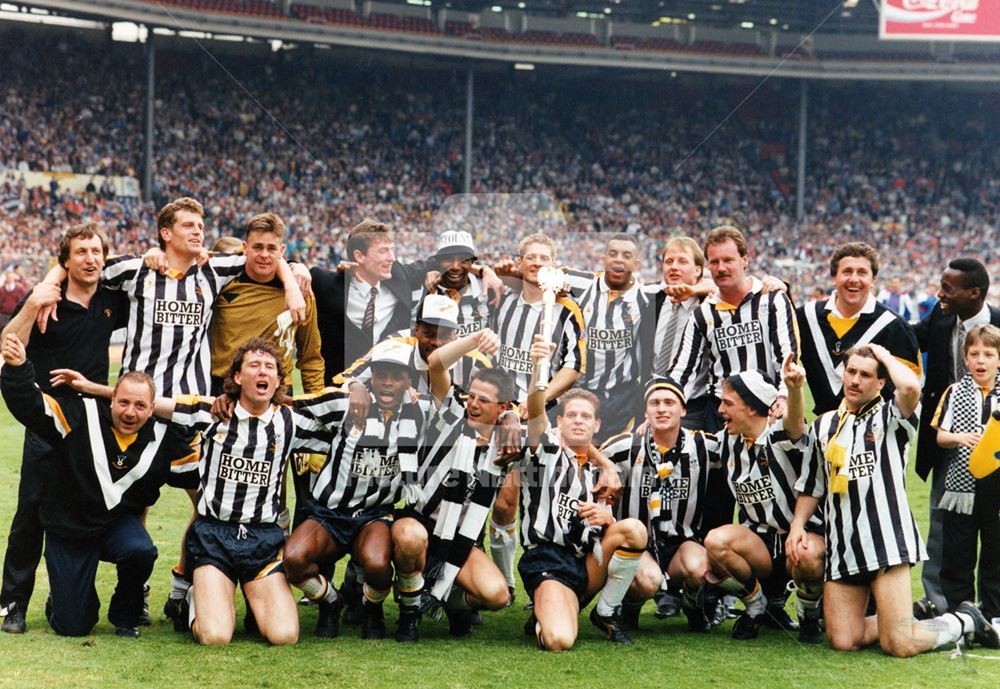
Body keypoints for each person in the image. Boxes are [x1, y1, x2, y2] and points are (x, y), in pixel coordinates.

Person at [56, 339, 336, 646]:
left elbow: (338, 434)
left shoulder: (289, 422)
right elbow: (150, 403)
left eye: (270, 367)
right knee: (215, 636)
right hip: (214, 538)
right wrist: (93, 388)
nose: (262, 372)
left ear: (279, 380)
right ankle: (194, 597)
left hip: (263, 540)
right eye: (254, 366)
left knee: (284, 636)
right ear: (238, 377)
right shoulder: (212, 412)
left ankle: (245, 600)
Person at [790, 344, 999, 656]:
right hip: (844, 546)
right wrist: (797, 525)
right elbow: (812, 486)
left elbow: (912, 386)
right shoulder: (825, 424)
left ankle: (961, 620)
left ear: (880, 382)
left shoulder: (891, 416)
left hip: (886, 544)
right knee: (843, 640)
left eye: (865, 374)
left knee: (899, 645)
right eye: (851, 372)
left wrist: (885, 357)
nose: (855, 380)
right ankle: (902, 619)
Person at [0, 333, 196, 639]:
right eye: (124, 402)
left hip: (113, 528)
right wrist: (17, 368)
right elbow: (32, 406)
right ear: (111, 400)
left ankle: (126, 613)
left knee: (141, 549)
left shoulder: (164, 439)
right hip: (69, 528)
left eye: (140, 405)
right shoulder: (82, 414)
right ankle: (63, 599)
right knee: (73, 626)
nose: (130, 412)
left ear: (152, 408)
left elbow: (200, 468)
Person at [0, 223, 128, 635]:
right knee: (31, 512)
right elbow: (8, 343)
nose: (91, 259)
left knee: (84, 509)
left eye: (96, 251)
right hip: (47, 415)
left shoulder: (114, 299)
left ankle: (66, 593)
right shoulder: (44, 300)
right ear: (66, 260)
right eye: (81, 252)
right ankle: (13, 604)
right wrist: (34, 300)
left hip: (94, 421)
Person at [282, 339, 433, 641]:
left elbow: (467, 410)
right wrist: (352, 385)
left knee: (377, 565)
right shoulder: (345, 403)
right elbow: (291, 403)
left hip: (373, 517)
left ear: (409, 381)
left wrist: (508, 415)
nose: (388, 383)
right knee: (293, 558)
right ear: (371, 376)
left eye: (397, 376)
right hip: (328, 514)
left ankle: (371, 607)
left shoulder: (421, 412)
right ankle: (330, 602)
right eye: (381, 374)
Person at [668, 226, 799, 539]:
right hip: (722, 416)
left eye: (728, 260)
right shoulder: (704, 315)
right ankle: (719, 578)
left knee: (781, 495)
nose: (721, 268)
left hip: (770, 412)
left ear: (745, 260)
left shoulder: (773, 301)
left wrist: (782, 397)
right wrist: (665, 403)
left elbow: (788, 354)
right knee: (718, 500)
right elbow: (682, 369)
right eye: (714, 262)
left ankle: (786, 571)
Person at [520, 336, 645, 650]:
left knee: (633, 530)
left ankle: (604, 612)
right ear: (559, 422)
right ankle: (547, 613)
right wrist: (539, 367)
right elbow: (535, 412)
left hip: (584, 564)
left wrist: (606, 518)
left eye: (585, 416)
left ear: (597, 425)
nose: (578, 421)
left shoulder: (597, 473)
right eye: (571, 415)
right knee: (560, 640)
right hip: (547, 559)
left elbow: (599, 532)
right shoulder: (547, 453)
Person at [390, 327, 512, 640]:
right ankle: (410, 612)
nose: (472, 403)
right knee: (410, 539)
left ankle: (453, 601)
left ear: (502, 408)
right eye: (471, 395)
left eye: (483, 400)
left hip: (460, 541)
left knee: (497, 595)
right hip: (418, 522)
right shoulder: (451, 415)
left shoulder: (506, 446)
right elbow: (436, 364)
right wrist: (475, 339)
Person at [488, 233, 586, 600]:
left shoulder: (567, 309)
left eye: (545, 257)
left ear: (554, 264)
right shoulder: (503, 302)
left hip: (541, 419)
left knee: (539, 501)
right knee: (503, 500)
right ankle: (504, 582)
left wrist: (536, 403)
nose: (537, 262)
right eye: (531, 257)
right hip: (502, 416)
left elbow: (573, 367)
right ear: (519, 262)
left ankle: (548, 580)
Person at [702, 363, 825, 643]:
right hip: (759, 544)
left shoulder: (779, 435)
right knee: (716, 542)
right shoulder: (726, 441)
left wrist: (794, 389)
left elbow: (795, 422)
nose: (720, 410)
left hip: (800, 537)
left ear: (752, 408)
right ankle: (757, 607)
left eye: (727, 403)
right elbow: (687, 445)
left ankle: (808, 614)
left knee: (805, 556)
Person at [912, 258, 1000, 618]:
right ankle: (941, 600)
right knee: (942, 523)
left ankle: (991, 607)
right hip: (947, 433)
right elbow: (909, 335)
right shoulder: (941, 314)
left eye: (948, 288)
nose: (939, 293)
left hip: (995, 449)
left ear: (974, 293)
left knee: (993, 534)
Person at [599, 376, 718, 633]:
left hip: (681, 544)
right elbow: (589, 457)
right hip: (638, 544)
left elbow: (742, 448)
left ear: (683, 409)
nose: (662, 408)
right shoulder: (625, 447)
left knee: (700, 568)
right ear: (645, 411)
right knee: (648, 580)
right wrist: (606, 468)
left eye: (669, 402)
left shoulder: (704, 446)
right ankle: (630, 606)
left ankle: (692, 606)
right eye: (654, 403)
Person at [797, 242, 920, 415]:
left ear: (873, 280)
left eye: (862, 272)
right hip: (821, 434)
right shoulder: (805, 317)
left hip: (874, 436)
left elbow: (910, 396)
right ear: (834, 277)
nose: (854, 279)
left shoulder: (895, 327)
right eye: (847, 271)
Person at [310, 219, 436, 385]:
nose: (392, 258)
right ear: (359, 256)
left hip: (388, 396)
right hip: (338, 393)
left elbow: (443, 261)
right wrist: (294, 267)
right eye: (383, 251)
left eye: (392, 250)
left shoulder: (400, 277)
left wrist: (477, 269)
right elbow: (274, 271)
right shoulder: (325, 283)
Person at [931, 324, 1000, 622]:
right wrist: (961, 438)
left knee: (995, 553)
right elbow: (940, 436)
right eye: (974, 354)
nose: (981, 361)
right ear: (965, 358)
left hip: (996, 486)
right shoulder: (955, 391)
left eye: (989, 354)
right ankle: (961, 613)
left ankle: (994, 613)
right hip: (962, 486)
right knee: (958, 551)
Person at [563, 233, 650, 444]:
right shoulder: (581, 283)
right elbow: (539, 271)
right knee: (572, 453)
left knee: (611, 454)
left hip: (620, 397)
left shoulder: (647, 297)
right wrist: (486, 271)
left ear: (636, 263)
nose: (618, 259)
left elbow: (702, 285)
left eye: (626, 255)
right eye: (613, 254)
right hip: (578, 390)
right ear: (603, 259)